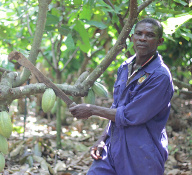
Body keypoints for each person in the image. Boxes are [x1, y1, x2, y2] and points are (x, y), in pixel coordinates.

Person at [69, 18, 174, 175]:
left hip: (142, 154)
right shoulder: (125, 66)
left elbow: (130, 115)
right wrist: (103, 139)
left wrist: (92, 109)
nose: (143, 38)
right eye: (139, 33)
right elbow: (116, 108)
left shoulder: (160, 76)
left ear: (159, 41)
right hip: (113, 148)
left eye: (149, 35)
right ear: (132, 37)